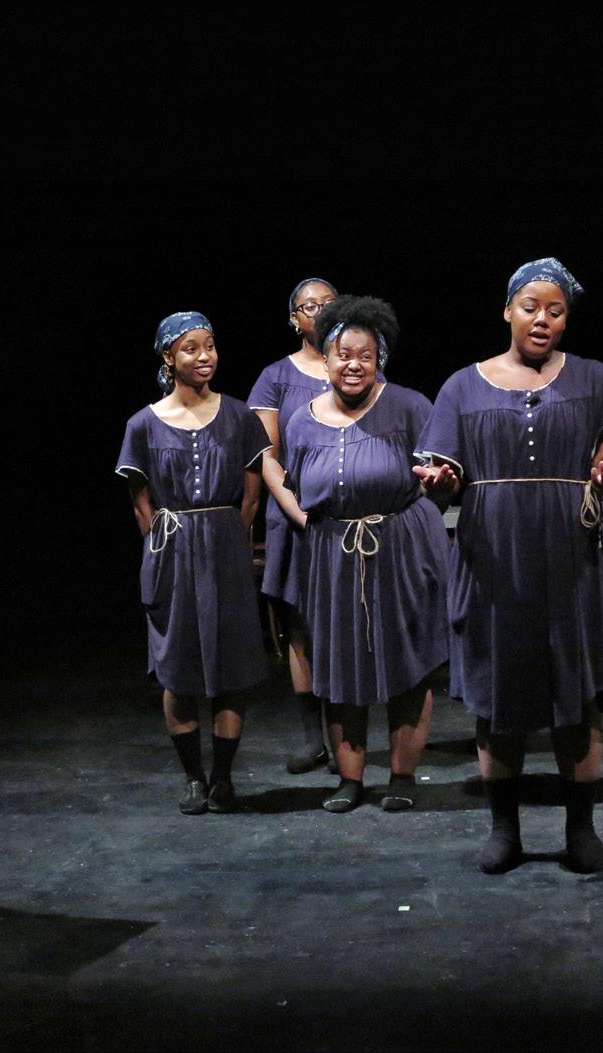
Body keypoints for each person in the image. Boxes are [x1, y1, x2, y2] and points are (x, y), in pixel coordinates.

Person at [417, 258, 603, 874]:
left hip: (571, 553)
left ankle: (581, 828)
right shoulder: (463, 385)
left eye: (556, 310)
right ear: (507, 310)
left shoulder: (592, 377)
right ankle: (504, 830)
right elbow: (444, 470)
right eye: (531, 307)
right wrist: (443, 480)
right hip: (493, 554)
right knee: (498, 696)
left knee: (577, 694)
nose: (543, 319)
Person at [271, 296, 448, 813]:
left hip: (400, 547)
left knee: (407, 665)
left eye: (365, 356)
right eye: (343, 355)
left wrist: (441, 486)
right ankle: (349, 780)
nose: (353, 365)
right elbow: (296, 485)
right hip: (333, 554)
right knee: (339, 665)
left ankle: (402, 777)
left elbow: (439, 481)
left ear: (379, 360)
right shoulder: (301, 421)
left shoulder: (410, 406)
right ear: (325, 360)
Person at [117, 311, 271, 815]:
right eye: (191, 348)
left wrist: (227, 539)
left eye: (210, 346)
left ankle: (223, 777)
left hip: (225, 548)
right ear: (169, 356)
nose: (204, 356)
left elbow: (251, 497)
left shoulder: (240, 416)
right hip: (173, 552)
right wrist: (166, 550)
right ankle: (193, 779)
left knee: (232, 667)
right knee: (178, 668)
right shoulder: (143, 424)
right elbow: (141, 504)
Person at [249, 278, 339, 774]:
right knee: (300, 626)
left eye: (328, 304)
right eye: (310, 306)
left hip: (345, 516)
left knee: (345, 623)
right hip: (294, 515)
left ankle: (348, 738)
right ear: (294, 318)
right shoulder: (276, 377)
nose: (320, 312)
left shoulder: (357, 363)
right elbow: (267, 456)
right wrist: (298, 511)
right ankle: (313, 739)